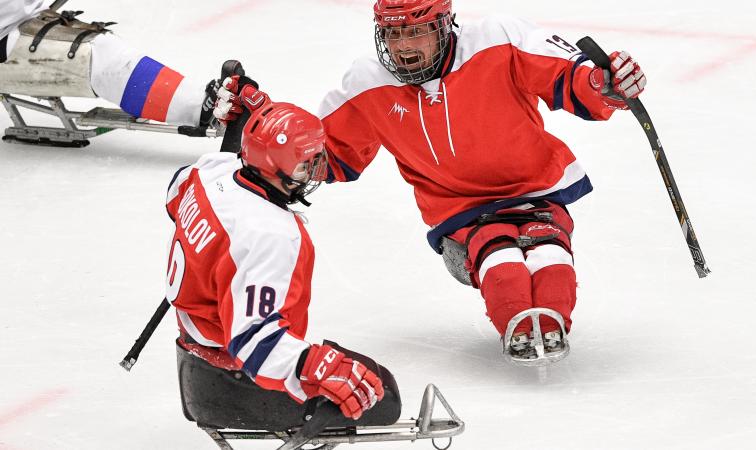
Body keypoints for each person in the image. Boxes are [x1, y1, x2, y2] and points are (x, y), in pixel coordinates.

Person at [216, 0, 648, 365]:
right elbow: (323, 152)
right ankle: (518, 319)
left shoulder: (498, 39)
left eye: (416, 32)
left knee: (547, 244)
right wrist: (261, 118)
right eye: (393, 34)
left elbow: (566, 73)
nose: (403, 46)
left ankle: (552, 320)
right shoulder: (369, 82)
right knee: (499, 255)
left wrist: (604, 82)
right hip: (461, 211)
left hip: (534, 187)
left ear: (445, 24)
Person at [164, 94, 385, 421]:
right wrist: (312, 365)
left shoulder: (212, 169)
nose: (312, 171)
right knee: (382, 395)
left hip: (193, 339)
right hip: (230, 372)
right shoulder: (269, 235)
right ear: (275, 167)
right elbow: (253, 341)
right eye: (304, 163)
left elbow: (175, 194)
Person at [0, 0, 210, 128]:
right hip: (7, 34)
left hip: (26, 19)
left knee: (101, 47)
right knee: (97, 54)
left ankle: (202, 103)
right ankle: (202, 107)